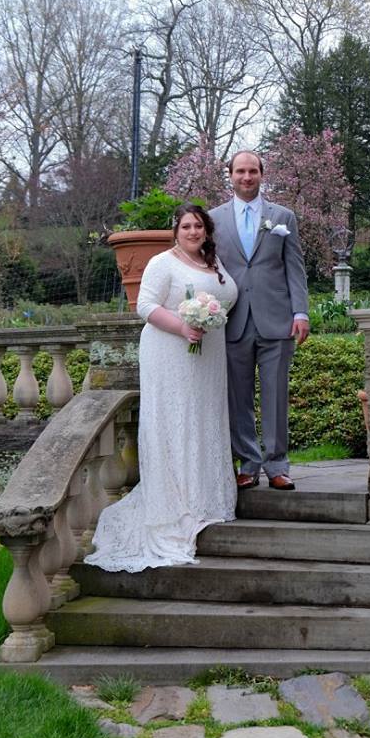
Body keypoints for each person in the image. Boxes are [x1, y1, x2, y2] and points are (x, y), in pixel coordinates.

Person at [84, 203, 238, 571]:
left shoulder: (213, 262)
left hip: (208, 355)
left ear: (207, 231)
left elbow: (226, 297)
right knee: (176, 420)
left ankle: (204, 497)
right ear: (176, 230)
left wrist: (207, 320)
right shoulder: (161, 262)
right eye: (187, 226)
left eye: (199, 226)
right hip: (171, 351)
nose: (193, 232)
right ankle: (175, 502)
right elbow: (146, 307)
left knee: (203, 419)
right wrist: (184, 327)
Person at [210, 150, 309, 492]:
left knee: (275, 394)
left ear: (262, 174)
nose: (246, 177)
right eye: (240, 171)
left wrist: (301, 312)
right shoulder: (213, 219)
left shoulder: (283, 216)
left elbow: (295, 267)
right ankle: (248, 464)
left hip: (277, 319)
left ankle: (277, 464)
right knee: (238, 397)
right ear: (231, 175)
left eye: (253, 171)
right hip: (233, 320)